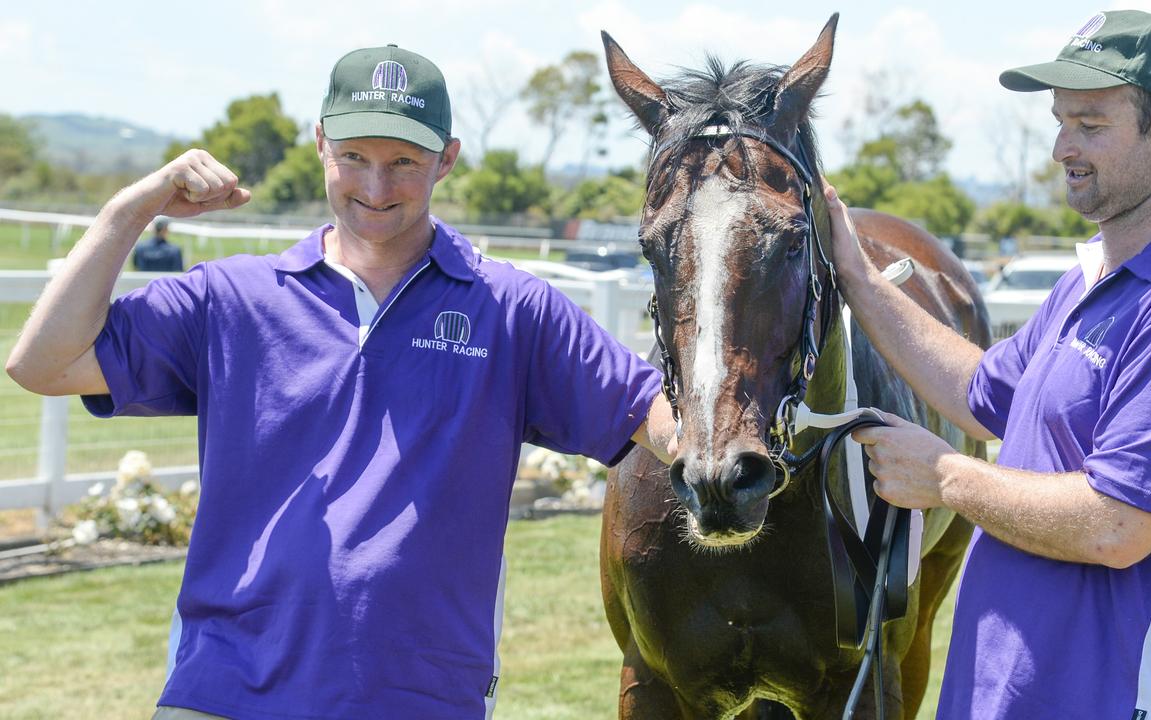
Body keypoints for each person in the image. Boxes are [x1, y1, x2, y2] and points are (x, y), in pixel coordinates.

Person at [5, 44, 675, 720]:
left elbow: (663, 421)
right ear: (320, 141)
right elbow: (44, 364)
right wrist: (131, 209)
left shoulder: (512, 311)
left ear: (447, 158)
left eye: (404, 163)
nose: (376, 189)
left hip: (419, 702)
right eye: (353, 157)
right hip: (222, 696)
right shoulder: (233, 298)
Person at [824, 10, 1151, 719]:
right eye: (1060, 121)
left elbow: (1117, 526)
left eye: (1091, 124)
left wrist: (945, 477)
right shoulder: (1096, 276)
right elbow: (980, 391)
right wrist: (857, 275)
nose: (1064, 147)